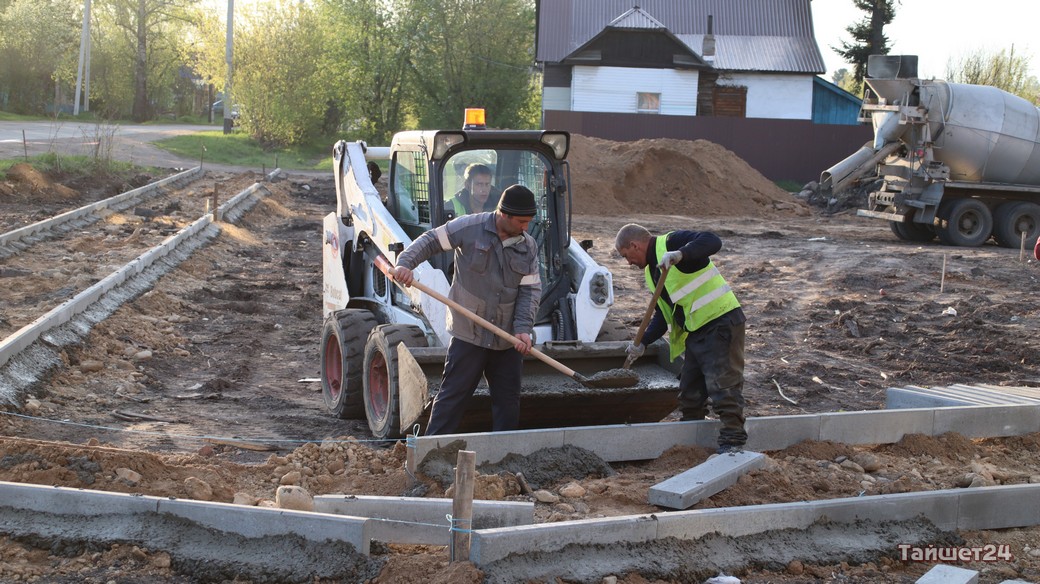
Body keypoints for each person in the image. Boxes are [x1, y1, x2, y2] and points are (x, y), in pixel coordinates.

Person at [391, 185, 542, 435]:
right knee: (452, 398)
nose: (525, 227)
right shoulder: (469, 228)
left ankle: (503, 457)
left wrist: (524, 330)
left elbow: (530, 291)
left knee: (508, 403)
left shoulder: (528, 247)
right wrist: (405, 264)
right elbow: (430, 241)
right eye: (522, 221)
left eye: (529, 222)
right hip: (468, 334)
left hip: (506, 339)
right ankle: (430, 453)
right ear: (504, 214)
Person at [614, 223, 748, 454]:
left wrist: (680, 254)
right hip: (697, 331)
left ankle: (733, 442)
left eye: (627, 256)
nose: (628, 263)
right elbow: (661, 313)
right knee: (690, 392)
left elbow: (712, 240)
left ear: (635, 245)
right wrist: (643, 342)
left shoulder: (670, 244)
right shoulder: (652, 270)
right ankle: (691, 442)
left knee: (722, 385)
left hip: (720, 322)